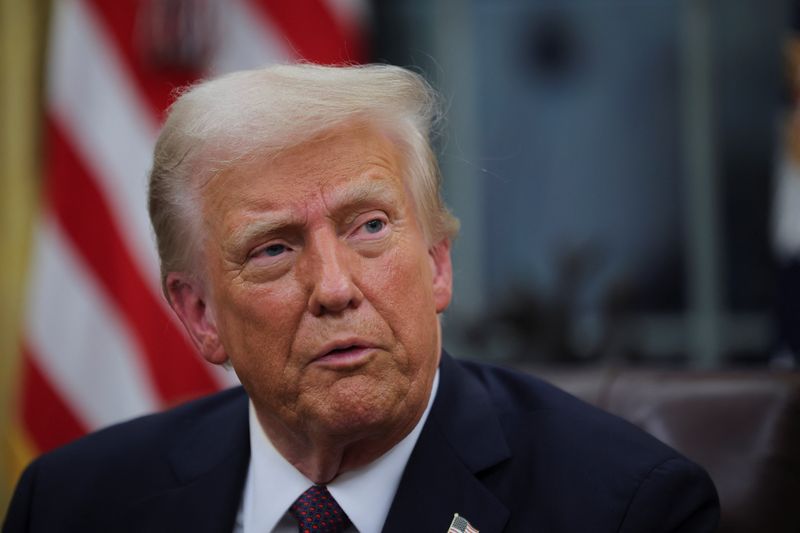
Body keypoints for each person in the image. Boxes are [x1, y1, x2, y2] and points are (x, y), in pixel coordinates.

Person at [3, 64, 719, 533]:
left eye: (369, 226)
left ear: (438, 261)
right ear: (200, 315)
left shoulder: (628, 509)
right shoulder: (73, 506)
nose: (336, 288)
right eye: (274, 248)